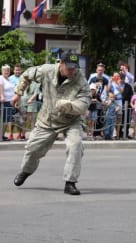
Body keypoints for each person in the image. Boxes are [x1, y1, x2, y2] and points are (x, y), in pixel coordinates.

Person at [11, 52, 90, 195]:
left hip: (70, 120)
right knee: (32, 149)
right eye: (69, 67)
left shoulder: (80, 80)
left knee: (76, 145)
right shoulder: (46, 70)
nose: (72, 71)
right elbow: (27, 74)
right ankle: (26, 171)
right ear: (61, 64)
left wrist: (69, 105)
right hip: (47, 118)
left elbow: (84, 103)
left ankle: (70, 182)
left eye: (75, 68)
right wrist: (18, 93)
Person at [0, 64, 16, 141]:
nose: (6, 72)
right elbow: (0, 89)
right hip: (3, 102)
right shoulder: (0, 79)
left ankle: (2, 135)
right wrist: (2, 96)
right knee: (4, 120)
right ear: (2, 71)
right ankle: (0, 136)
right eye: (4, 70)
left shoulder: (10, 79)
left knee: (7, 120)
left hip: (10, 101)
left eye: (7, 70)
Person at [9, 63, 23, 139]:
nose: (17, 71)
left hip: (21, 100)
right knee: (12, 119)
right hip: (12, 101)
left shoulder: (23, 78)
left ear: (21, 71)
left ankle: (19, 134)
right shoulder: (10, 78)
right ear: (13, 71)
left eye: (18, 70)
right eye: (16, 70)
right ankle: (11, 134)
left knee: (20, 119)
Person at [119, 72, 134, 139]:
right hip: (119, 105)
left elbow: (131, 96)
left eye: (123, 78)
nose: (122, 80)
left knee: (127, 120)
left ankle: (126, 133)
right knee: (120, 121)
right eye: (121, 78)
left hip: (127, 105)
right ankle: (119, 134)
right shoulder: (116, 85)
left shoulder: (128, 86)